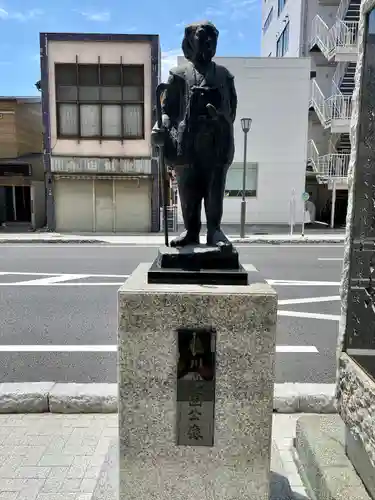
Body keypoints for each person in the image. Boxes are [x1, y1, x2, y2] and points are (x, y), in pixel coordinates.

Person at [152, 21, 237, 248]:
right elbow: (167, 110)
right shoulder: (178, 75)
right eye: (202, 37)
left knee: (214, 188)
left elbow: (232, 110)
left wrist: (219, 116)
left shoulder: (224, 76)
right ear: (190, 42)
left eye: (213, 38)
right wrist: (160, 129)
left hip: (215, 143)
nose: (209, 42)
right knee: (188, 189)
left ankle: (214, 230)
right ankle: (191, 231)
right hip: (186, 143)